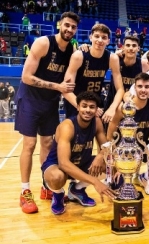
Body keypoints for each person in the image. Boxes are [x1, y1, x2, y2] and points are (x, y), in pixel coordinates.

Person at [16, 12, 80, 214]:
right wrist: (57, 86)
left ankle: (46, 186)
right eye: (67, 25)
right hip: (30, 99)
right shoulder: (43, 43)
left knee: (46, 143)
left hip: (50, 102)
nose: (69, 29)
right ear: (60, 24)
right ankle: (25, 191)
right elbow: (26, 77)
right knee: (30, 143)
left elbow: (68, 84)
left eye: (73, 27)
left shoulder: (72, 50)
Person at [42, 91, 117, 215]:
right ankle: (58, 194)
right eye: (84, 106)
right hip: (58, 165)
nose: (88, 110)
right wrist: (95, 181)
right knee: (57, 177)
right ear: (78, 107)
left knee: (111, 165)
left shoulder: (96, 122)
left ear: (96, 109)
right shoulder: (67, 126)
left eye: (92, 107)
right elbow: (64, 163)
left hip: (82, 161)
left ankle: (77, 189)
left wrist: (100, 156)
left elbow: (106, 146)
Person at [62, 23, 123, 122]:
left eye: (104, 37)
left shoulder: (112, 58)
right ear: (90, 37)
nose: (100, 40)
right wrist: (85, 107)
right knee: (73, 136)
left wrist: (112, 108)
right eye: (96, 36)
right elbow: (66, 90)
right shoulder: (79, 56)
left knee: (92, 136)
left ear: (108, 41)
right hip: (75, 103)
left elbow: (120, 89)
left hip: (95, 104)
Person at [104, 36, 149, 112]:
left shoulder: (143, 64)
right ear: (123, 48)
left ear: (138, 48)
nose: (131, 48)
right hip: (113, 104)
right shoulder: (115, 60)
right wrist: (86, 46)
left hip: (134, 105)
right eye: (128, 45)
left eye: (134, 46)